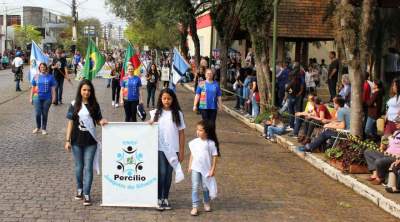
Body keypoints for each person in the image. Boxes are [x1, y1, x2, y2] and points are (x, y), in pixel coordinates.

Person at [64, 80, 108, 206]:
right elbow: (70, 123)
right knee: (79, 167)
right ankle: (79, 189)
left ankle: (87, 193)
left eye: (89, 90)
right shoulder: (74, 104)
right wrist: (67, 140)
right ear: (80, 90)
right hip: (76, 140)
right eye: (84, 90)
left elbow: (99, 120)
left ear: (91, 91)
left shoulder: (94, 105)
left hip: (90, 141)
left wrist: (102, 121)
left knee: (88, 167)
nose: (86, 92)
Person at [149, 88, 186, 211]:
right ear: (160, 99)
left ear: (173, 99)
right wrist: (149, 122)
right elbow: (149, 127)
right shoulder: (156, 113)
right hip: (160, 148)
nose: (166, 101)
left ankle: (165, 198)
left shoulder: (178, 114)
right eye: (164, 98)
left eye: (169, 98)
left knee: (169, 174)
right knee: (162, 173)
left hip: (173, 149)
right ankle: (158, 197)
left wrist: (181, 151)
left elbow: (181, 133)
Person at [188, 120, 219, 216]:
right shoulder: (194, 142)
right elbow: (192, 155)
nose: (198, 132)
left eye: (200, 130)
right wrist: (190, 165)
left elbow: (214, 156)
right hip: (195, 168)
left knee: (205, 187)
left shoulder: (211, 143)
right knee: (195, 186)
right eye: (197, 130)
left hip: (206, 169)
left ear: (206, 132)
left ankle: (206, 202)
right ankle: (195, 206)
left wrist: (213, 169)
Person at [30, 63, 56, 135]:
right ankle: (38, 127)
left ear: (46, 68)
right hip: (36, 97)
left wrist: (54, 98)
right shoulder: (36, 76)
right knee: (38, 113)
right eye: (41, 67)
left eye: (44, 67)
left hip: (47, 98)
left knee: (45, 114)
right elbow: (33, 88)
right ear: (39, 68)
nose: (43, 68)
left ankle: (44, 128)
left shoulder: (50, 77)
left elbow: (53, 89)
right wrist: (30, 97)